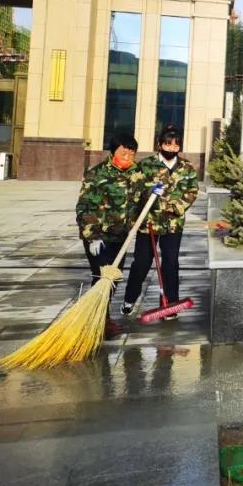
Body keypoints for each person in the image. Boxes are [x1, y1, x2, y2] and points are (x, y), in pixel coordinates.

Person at [122, 124, 200, 320]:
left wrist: (176, 207)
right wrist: (147, 195)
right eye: (168, 144)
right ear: (159, 144)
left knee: (171, 263)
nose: (172, 149)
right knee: (142, 262)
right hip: (148, 223)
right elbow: (133, 192)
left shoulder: (186, 168)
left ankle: (170, 304)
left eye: (176, 145)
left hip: (173, 224)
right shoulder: (145, 166)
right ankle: (130, 299)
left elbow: (192, 192)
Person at [76, 132, 146, 337]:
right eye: (124, 153)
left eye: (131, 153)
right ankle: (98, 321)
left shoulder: (137, 174)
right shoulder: (97, 174)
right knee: (101, 278)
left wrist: (154, 193)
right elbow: (85, 207)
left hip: (121, 238)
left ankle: (101, 317)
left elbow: (143, 200)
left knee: (113, 279)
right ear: (113, 151)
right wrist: (92, 237)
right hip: (100, 237)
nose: (128, 157)